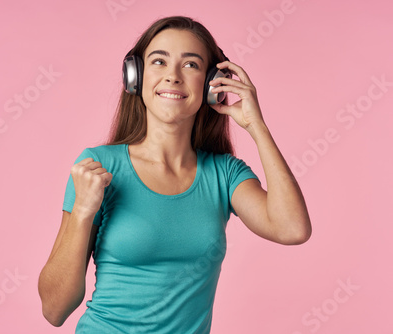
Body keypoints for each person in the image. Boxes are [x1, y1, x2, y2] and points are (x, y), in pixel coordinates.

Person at [38, 15, 312, 333]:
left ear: (213, 85)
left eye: (191, 65)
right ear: (135, 77)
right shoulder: (99, 167)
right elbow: (54, 309)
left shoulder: (224, 174)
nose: (173, 76)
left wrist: (256, 126)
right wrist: (83, 212)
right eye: (159, 61)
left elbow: (292, 229)